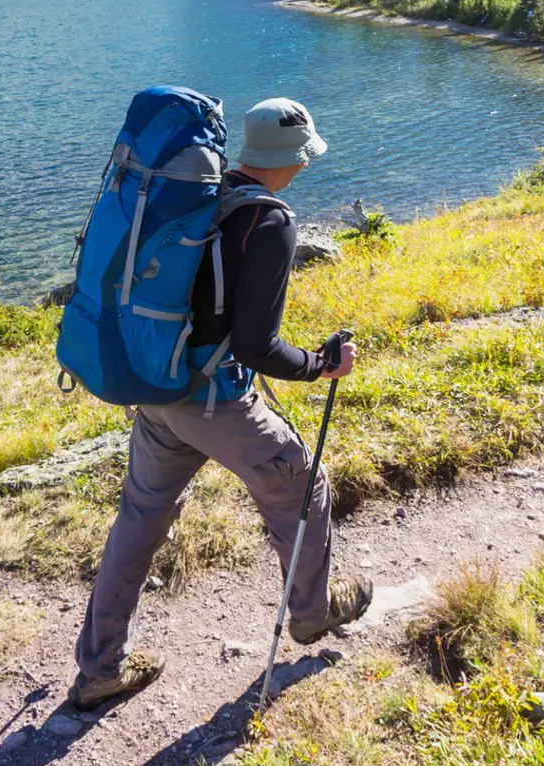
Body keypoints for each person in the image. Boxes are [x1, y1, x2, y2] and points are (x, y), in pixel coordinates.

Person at [69, 97, 372, 710]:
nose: (305, 167)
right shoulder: (270, 221)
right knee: (302, 485)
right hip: (216, 404)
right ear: (288, 158)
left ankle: (98, 668)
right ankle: (311, 613)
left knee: (140, 519)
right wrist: (321, 365)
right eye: (303, 157)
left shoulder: (206, 196)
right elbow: (258, 347)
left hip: (159, 391)